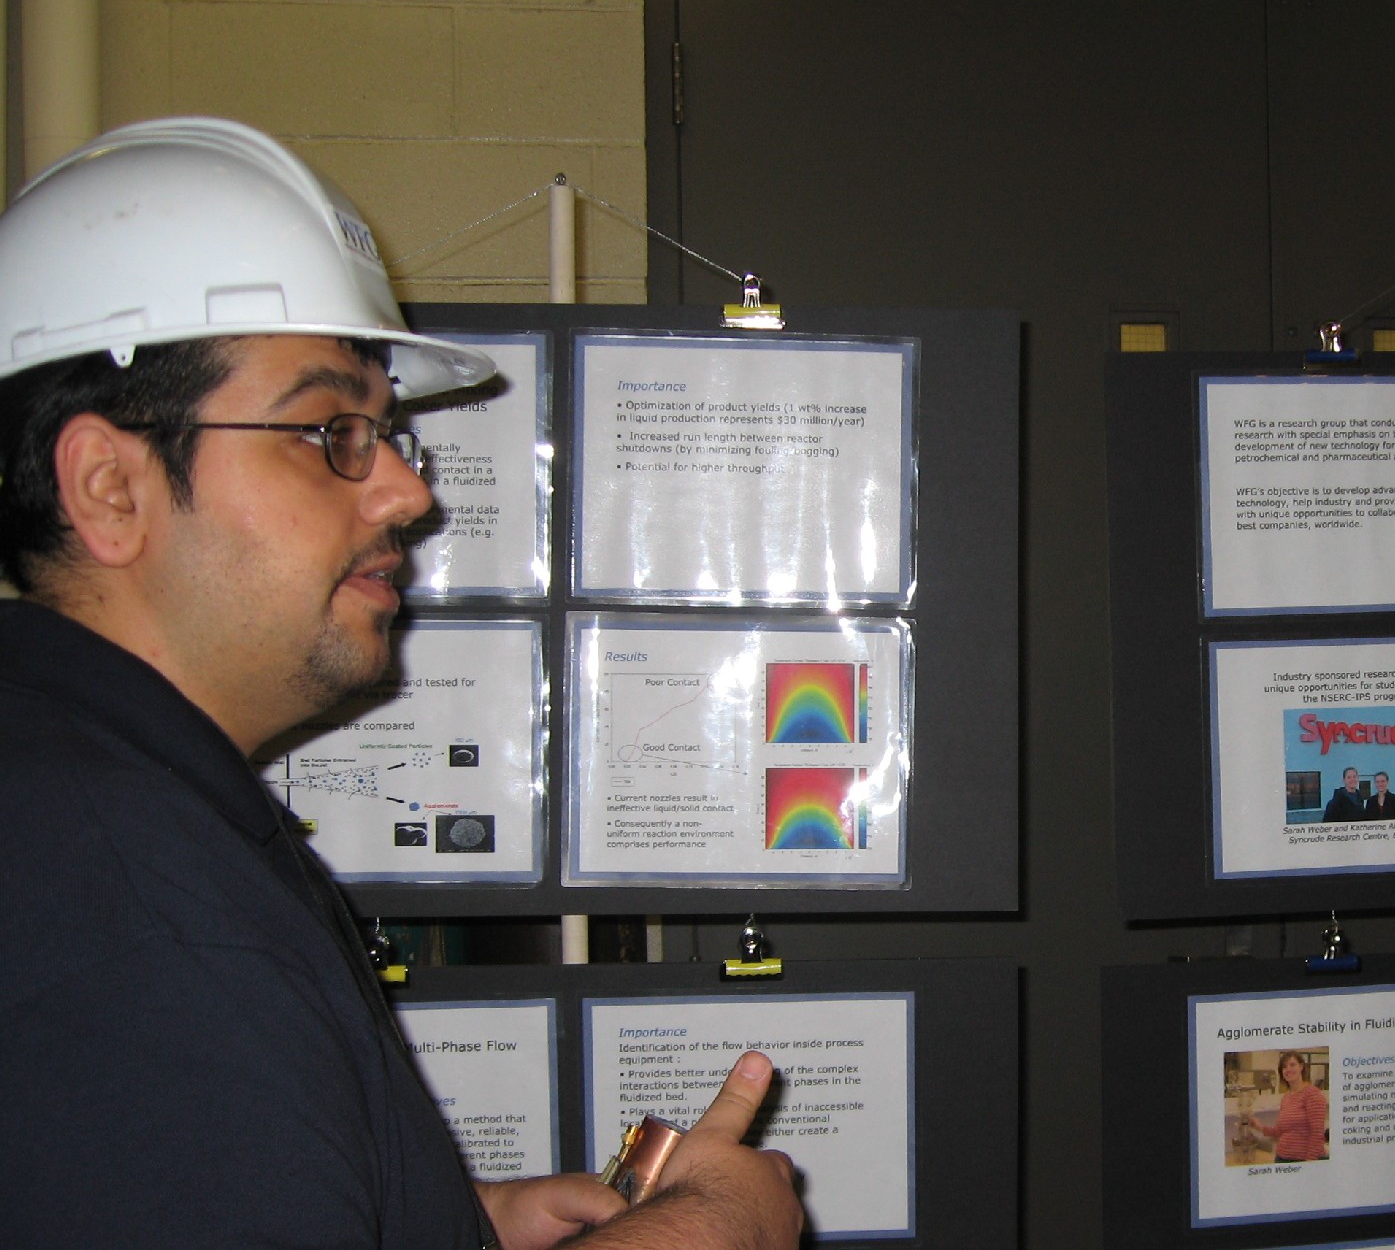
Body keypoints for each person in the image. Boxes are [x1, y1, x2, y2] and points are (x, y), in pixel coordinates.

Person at [0, 118, 802, 1249]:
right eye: (329, 430)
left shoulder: (107, 801)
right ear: (109, 487)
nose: (404, 494)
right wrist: (709, 1229)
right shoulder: (136, 918)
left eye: (386, 435)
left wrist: (452, 1217)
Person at [1244, 1052, 1330, 1162]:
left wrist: (1309, 1165)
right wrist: (1259, 1127)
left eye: (1292, 1065)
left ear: (1301, 1067)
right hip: (1281, 1158)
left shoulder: (1312, 1094)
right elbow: (1279, 1131)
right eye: (1284, 1067)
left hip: (1302, 1160)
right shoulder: (1286, 1097)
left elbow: (1317, 1134)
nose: (1288, 1069)